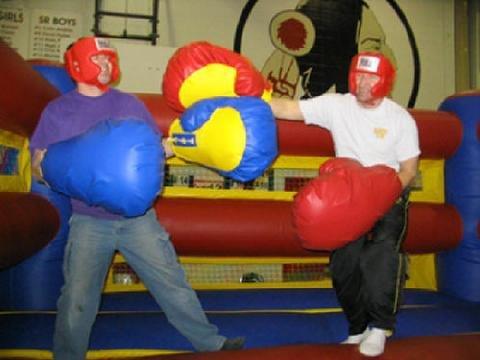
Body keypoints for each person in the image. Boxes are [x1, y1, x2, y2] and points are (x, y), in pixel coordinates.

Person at [30, 36, 244, 360]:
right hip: (90, 220)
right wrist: (67, 168)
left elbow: (152, 151)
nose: (104, 65)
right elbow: (38, 167)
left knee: (172, 283)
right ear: (76, 63)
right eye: (97, 59)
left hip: (138, 219)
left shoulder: (128, 104)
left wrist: (192, 144)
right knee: (77, 298)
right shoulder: (58, 112)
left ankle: (211, 344)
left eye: (107, 59)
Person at [269, 51, 420, 357]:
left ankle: (380, 327)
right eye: (360, 75)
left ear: (386, 80)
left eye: (372, 76)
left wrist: (380, 193)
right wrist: (248, 98)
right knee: (344, 265)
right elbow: (286, 108)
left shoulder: (400, 118)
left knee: (379, 254)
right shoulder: (337, 105)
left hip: (388, 195)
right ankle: (357, 327)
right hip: (346, 198)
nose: (364, 82)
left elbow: (409, 169)